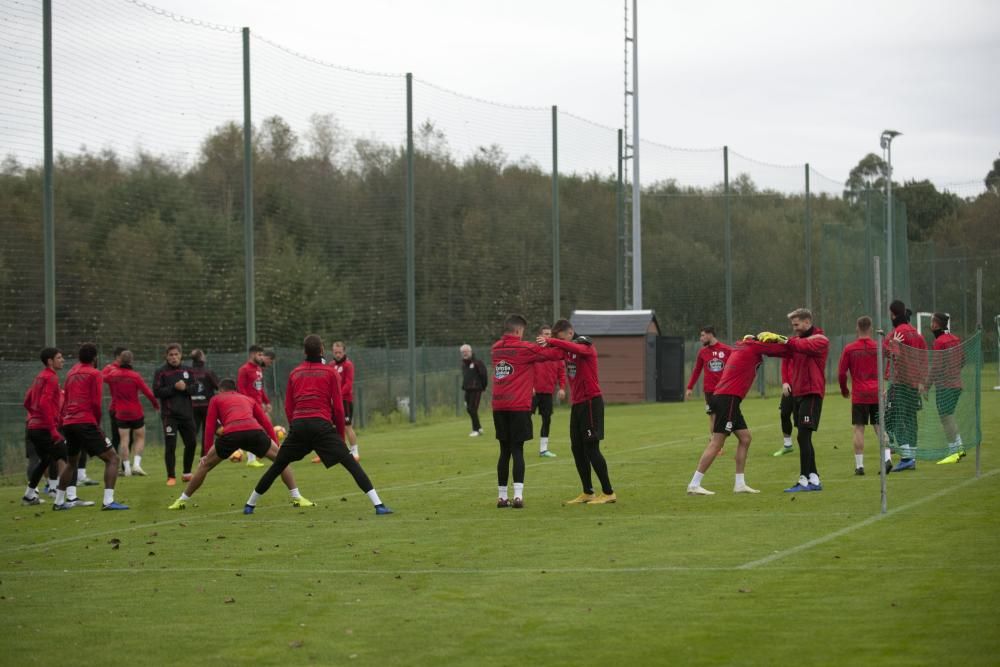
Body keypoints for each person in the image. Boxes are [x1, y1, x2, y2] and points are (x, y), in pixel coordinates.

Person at [244, 335, 392, 516]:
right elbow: (338, 408)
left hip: (299, 426)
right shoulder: (330, 373)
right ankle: (378, 505)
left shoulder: (295, 373)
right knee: (350, 464)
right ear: (322, 351)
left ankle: (250, 505)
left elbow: (288, 406)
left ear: (304, 352)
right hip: (322, 426)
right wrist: (338, 436)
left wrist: (295, 427)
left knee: (278, 465)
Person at [168, 379, 313, 510]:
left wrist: (206, 453)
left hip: (232, 433)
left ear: (220, 390)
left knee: (204, 466)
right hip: (254, 431)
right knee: (282, 461)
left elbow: (210, 426)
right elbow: (266, 422)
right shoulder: (248, 399)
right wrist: (276, 444)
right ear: (235, 390)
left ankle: (181, 500)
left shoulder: (216, 399)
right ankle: (297, 497)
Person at [684, 335, 791, 495]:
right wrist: (784, 340)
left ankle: (739, 484)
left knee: (745, 438)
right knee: (716, 443)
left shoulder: (742, 346)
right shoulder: (753, 346)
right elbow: (782, 351)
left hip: (727, 398)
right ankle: (694, 484)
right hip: (729, 398)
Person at [490, 314, 564, 509]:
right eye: (522, 332)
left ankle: (501, 497)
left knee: (504, 451)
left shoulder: (495, 348)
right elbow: (555, 355)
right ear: (518, 331)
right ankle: (518, 496)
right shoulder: (524, 348)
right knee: (518, 450)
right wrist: (550, 341)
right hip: (518, 406)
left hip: (498, 406)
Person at [541, 319, 617, 504]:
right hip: (577, 404)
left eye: (561, 338)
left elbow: (579, 350)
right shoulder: (566, 349)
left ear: (570, 333)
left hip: (591, 401)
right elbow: (550, 354)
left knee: (592, 448)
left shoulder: (584, 343)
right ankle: (588, 491)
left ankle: (608, 493)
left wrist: (552, 341)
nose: (560, 342)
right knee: (577, 448)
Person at [761, 308, 830, 492]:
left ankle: (803, 480)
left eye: (797, 325)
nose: (794, 328)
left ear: (808, 322)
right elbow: (782, 350)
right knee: (803, 437)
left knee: (803, 436)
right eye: (793, 325)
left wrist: (781, 338)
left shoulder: (820, 339)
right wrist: (757, 343)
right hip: (799, 394)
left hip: (812, 393)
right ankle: (814, 479)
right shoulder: (797, 340)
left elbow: (802, 345)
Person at [56, 343, 128, 510]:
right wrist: (96, 421)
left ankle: (59, 502)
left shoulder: (71, 372)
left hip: (69, 422)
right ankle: (108, 501)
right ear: (95, 358)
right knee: (113, 459)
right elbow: (96, 403)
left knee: (71, 462)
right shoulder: (95, 374)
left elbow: (66, 400)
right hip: (85, 422)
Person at [837, 316, 890, 475]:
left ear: (857, 328)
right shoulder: (879, 347)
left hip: (860, 394)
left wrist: (844, 390)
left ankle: (860, 466)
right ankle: (887, 459)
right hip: (876, 392)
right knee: (879, 427)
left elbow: (841, 373)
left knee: (859, 428)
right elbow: (892, 359)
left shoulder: (850, 348)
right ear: (871, 328)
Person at [884, 300, 928, 471]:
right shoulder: (917, 335)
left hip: (899, 382)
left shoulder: (896, 334)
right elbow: (924, 358)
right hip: (914, 384)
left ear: (893, 313)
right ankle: (911, 455)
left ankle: (905, 455)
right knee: (911, 419)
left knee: (892, 419)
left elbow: (889, 353)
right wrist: (922, 381)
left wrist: (891, 346)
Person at [22, 347, 67, 506]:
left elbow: (27, 401)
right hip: (44, 429)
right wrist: (53, 429)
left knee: (45, 460)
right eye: (59, 357)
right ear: (50, 361)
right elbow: (43, 403)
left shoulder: (39, 377)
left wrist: (34, 416)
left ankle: (29, 496)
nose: (63, 360)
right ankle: (64, 499)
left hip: (34, 427)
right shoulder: (51, 378)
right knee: (67, 457)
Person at [106, 350, 159, 476]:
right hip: (136, 412)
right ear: (131, 361)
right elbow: (148, 392)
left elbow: (102, 377)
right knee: (140, 437)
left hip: (121, 413)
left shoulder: (113, 374)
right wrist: (155, 404)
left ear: (119, 361)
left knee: (124, 440)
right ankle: (136, 464)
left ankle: (126, 468)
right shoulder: (135, 376)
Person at [153, 343, 198, 486]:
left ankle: (186, 473)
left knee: (191, 443)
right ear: (166, 356)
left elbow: (195, 388)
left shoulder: (188, 370)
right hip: (169, 416)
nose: (174, 357)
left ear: (181, 355)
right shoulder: (161, 372)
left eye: (176, 354)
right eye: (171, 355)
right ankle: (171, 476)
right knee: (170, 446)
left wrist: (185, 388)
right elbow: (157, 392)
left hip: (187, 415)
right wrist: (174, 387)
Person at [929, 313, 965, 463]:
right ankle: (959, 447)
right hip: (957, 384)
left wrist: (926, 385)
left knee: (946, 417)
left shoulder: (939, 342)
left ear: (936, 324)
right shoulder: (955, 339)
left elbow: (936, 367)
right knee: (948, 415)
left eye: (932, 322)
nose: (930, 325)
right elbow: (963, 360)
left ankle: (954, 451)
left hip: (945, 386)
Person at [318, 341, 360, 462]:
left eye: (339, 352)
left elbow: (348, 384)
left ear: (344, 352)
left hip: (345, 400)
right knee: (331, 427)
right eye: (335, 352)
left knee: (347, 426)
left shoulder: (348, 365)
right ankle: (336, 451)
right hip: (332, 401)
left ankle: (355, 451)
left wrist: (337, 395)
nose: (337, 355)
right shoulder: (331, 365)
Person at [685, 326, 732, 431]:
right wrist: (689, 387)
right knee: (713, 417)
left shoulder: (727, 350)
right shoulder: (702, 352)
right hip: (709, 391)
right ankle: (715, 444)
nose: (701, 338)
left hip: (723, 390)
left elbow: (735, 367)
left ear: (710, 334)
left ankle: (717, 443)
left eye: (702, 335)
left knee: (723, 418)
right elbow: (696, 371)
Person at [532, 324, 566, 458]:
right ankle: (517, 447)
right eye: (546, 334)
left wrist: (562, 388)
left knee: (547, 420)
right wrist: (529, 386)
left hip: (547, 393)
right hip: (532, 393)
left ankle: (543, 449)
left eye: (550, 334)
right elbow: (525, 371)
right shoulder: (532, 351)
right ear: (540, 336)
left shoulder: (556, 353)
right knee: (523, 420)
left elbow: (561, 373)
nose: (548, 336)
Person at [237, 344, 270, 468]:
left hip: (258, 405)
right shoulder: (244, 369)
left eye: (262, 355)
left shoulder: (258, 369)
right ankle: (251, 457)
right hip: (249, 405)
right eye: (259, 355)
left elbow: (260, 388)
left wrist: (266, 402)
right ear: (252, 354)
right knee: (253, 430)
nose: (262, 357)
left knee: (258, 429)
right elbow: (241, 388)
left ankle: (253, 456)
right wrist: (248, 403)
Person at [189, 349, 221, 456]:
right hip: (207, 406)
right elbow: (218, 386)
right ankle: (204, 455)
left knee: (193, 432)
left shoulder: (188, 372)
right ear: (201, 357)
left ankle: (189, 453)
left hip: (192, 406)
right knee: (207, 431)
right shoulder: (208, 372)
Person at [460, 344, 488, 437]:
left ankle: (476, 430)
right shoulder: (463, 364)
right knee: (469, 409)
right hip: (467, 389)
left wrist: (483, 387)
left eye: (466, 351)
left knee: (473, 409)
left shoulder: (477, 363)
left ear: (471, 352)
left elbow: (484, 375)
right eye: (463, 352)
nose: (465, 353)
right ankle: (479, 427)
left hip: (476, 389)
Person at [772, 356, 796, 456]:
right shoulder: (790, 345)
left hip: (803, 387)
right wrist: (785, 382)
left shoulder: (806, 346)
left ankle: (805, 445)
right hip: (789, 387)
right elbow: (784, 364)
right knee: (784, 414)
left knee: (799, 419)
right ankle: (788, 445)